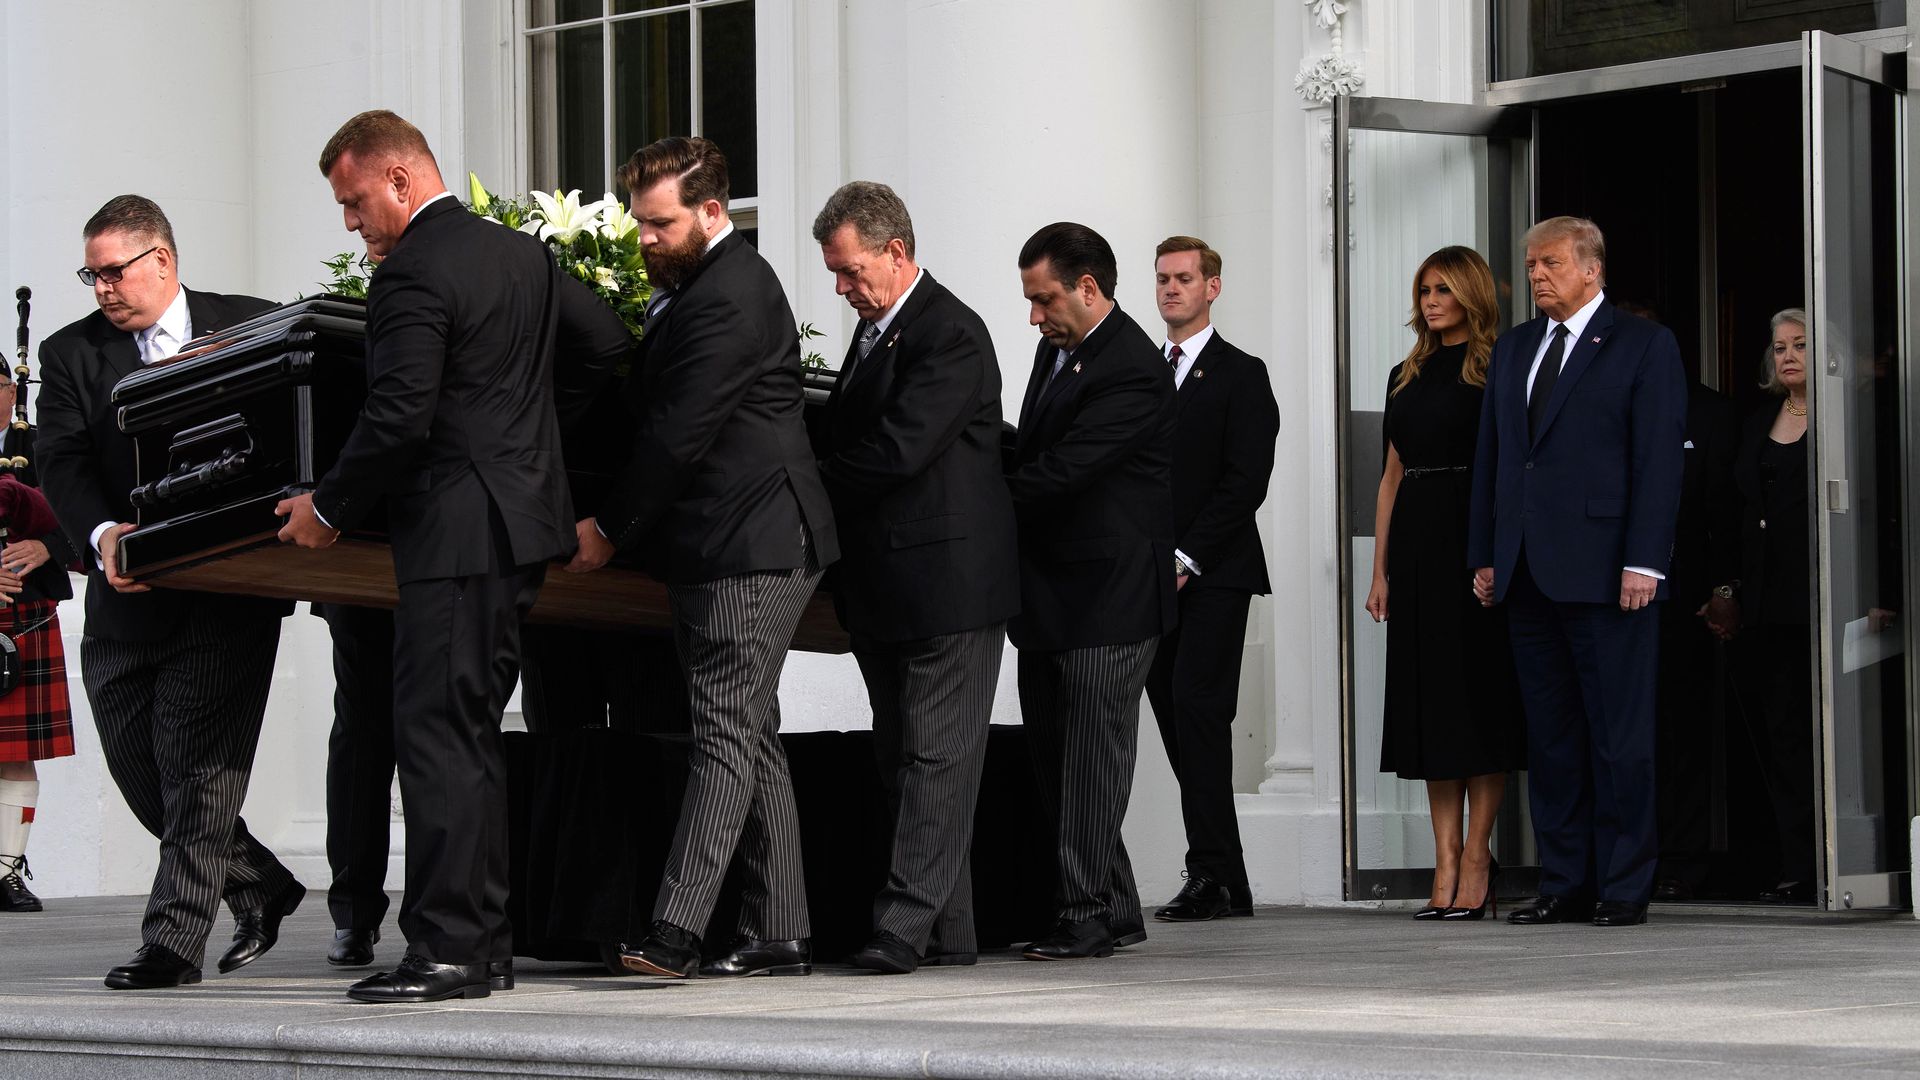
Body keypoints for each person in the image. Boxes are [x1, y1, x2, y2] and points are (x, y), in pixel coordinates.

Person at [277, 110, 629, 1003]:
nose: (352, 224)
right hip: (516, 530)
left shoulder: (412, 274)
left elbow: (398, 416)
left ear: (400, 179)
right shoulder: (523, 255)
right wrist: (527, 443)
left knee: (434, 735)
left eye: (355, 202)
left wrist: (327, 507)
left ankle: (445, 949)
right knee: (467, 735)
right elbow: (605, 346)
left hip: (454, 530)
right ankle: (483, 946)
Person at [570, 136, 840, 980]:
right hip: (733, 543)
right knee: (749, 733)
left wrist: (608, 528)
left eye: (660, 223)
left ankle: (676, 932)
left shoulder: (728, 295)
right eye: (639, 224)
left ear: (713, 212)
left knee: (722, 731)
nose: (644, 239)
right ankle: (780, 932)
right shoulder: (699, 289)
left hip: (751, 547)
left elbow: (677, 435)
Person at [37, 194, 300, 987]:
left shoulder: (254, 323)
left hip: (229, 589)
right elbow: (61, 462)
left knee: (197, 768)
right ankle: (260, 882)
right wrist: (103, 535)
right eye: (92, 273)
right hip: (126, 592)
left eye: (115, 271)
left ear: (163, 260)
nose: (103, 288)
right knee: (136, 766)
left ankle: (172, 945)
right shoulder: (69, 353)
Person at [808, 181, 1019, 974]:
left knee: (934, 762)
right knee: (907, 761)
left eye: (851, 270)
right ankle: (948, 930)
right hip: (892, 589)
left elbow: (899, 450)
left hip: (949, 590)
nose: (841, 288)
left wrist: (805, 488)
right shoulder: (875, 335)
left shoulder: (951, 333)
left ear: (897, 252)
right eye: (834, 272)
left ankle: (900, 929)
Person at [1468, 216, 1685, 928]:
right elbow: (1497, 461)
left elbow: (1657, 461)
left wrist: (1645, 560)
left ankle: (1624, 886)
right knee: (1553, 738)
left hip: (1608, 571)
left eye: (1551, 263)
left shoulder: (1643, 344)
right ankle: (1565, 883)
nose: (1536, 275)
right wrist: (1486, 553)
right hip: (1528, 571)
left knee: (1618, 736)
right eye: (1531, 264)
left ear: (1591, 268)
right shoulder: (1515, 349)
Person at [1008, 222, 1176, 960]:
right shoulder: (1059, 351)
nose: (1035, 317)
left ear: (1089, 286)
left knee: (1091, 763)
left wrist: (980, 498)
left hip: (1110, 597)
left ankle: (1081, 914)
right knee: (1056, 757)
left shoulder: (1134, 366)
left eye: (1045, 299)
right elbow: (1036, 446)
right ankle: (1116, 906)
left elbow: (1067, 470)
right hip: (1053, 594)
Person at [1367, 246, 1524, 921]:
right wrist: (1380, 570)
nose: (1432, 301)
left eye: (1444, 290)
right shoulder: (1405, 373)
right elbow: (1391, 475)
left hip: (1475, 539)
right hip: (1419, 540)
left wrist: (1496, 553)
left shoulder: (1498, 367)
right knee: (1431, 705)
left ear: (1470, 294)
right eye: (1424, 290)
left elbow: (1513, 468)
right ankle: (1445, 858)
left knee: (1478, 703)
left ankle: (1480, 858)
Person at [1143, 236, 1277, 923]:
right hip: (1148, 578)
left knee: (1199, 708)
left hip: (1215, 573)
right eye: (1163, 278)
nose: (1171, 289)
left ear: (1212, 287)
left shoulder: (1240, 373)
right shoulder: (1142, 370)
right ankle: (1226, 877)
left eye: (1184, 278)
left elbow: (1244, 481)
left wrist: (1185, 557)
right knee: (1174, 715)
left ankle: (1212, 874)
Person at [1723, 308, 1816, 904]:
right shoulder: (1758, 420)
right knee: (1778, 738)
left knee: (1823, 737)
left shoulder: (1848, 418)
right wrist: (1727, 591)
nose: (1787, 356)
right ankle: (1793, 864)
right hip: (1764, 606)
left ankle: (1839, 865)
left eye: (1801, 345)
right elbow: (1735, 516)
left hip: (1824, 600)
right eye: (1779, 345)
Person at [0, 380, 82, 912]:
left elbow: (94, 513)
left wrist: (47, 545)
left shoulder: (46, 442)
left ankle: (4, 871)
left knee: (14, 754)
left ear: (9, 391)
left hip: (23, 620)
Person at [313, 603, 396, 965]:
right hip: (360, 562)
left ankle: (439, 922)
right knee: (360, 729)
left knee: (443, 735)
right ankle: (353, 914)